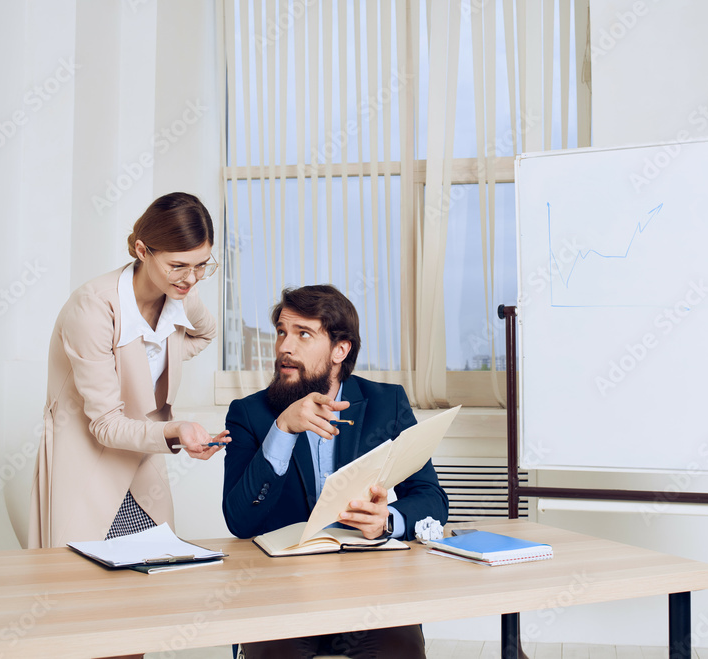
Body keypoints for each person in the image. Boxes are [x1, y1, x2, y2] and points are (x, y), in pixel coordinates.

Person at [223, 284, 447, 659]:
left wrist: (386, 521)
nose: (284, 347)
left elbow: (432, 500)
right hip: (281, 591)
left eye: (303, 334)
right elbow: (239, 521)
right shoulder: (249, 413)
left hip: (369, 591)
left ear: (340, 350)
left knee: (401, 652)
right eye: (281, 331)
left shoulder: (386, 404)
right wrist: (282, 430)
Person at [29, 192, 231, 552]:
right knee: (87, 575)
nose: (191, 278)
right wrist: (175, 429)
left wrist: (155, 356)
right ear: (142, 250)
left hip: (142, 458)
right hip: (89, 463)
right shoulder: (93, 308)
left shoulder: (183, 294)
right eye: (178, 265)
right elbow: (106, 425)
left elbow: (205, 333)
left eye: (202, 265)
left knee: (160, 567)